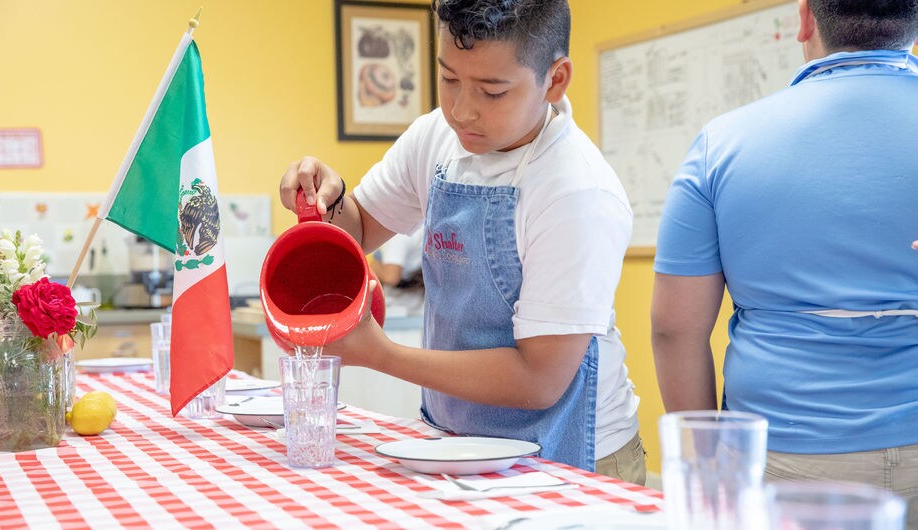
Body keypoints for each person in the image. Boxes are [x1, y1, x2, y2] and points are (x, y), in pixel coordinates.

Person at [280, 0, 644, 480]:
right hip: (457, 444)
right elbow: (359, 230)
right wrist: (327, 196)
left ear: (554, 80)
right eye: (449, 78)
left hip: (569, 454)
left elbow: (539, 380)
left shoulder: (575, 191)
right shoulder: (435, 137)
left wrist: (380, 354)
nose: (461, 110)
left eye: (492, 91)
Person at [651, 0, 918, 523]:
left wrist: (711, 469)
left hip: (785, 463)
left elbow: (674, 331)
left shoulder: (721, 144)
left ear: (804, 19)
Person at [370, 229, 425, 316]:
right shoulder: (418, 226)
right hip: (417, 303)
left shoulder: (398, 236)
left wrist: (370, 264)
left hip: (400, 306)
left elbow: (391, 277)